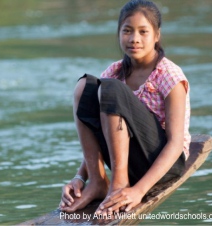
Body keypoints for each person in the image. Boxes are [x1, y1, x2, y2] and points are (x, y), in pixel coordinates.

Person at [59, 0, 190, 216]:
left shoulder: (169, 76)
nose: (134, 39)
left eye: (143, 32)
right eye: (127, 31)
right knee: (85, 87)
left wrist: (138, 191)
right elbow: (100, 128)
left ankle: (119, 185)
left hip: (163, 164)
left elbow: (176, 144)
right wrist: (80, 177)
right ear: (119, 33)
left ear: (157, 35)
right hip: (129, 161)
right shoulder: (114, 71)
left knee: (110, 89)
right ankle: (99, 181)